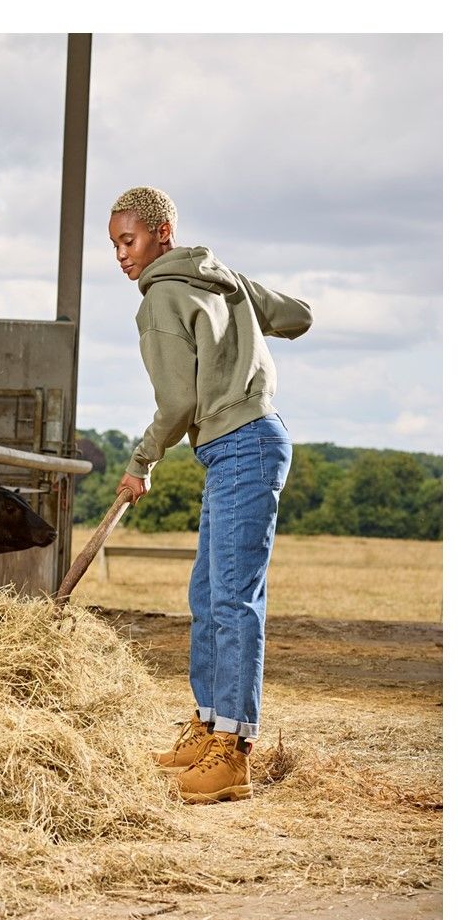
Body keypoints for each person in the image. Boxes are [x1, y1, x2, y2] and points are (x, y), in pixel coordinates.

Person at [109, 185, 312, 804]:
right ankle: (209, 723)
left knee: (233, 598)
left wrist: (141, 460)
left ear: (160, 234)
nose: (121, 256)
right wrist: (239, 300)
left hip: (242, 442)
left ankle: (234, 752)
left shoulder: (160, 298)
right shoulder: (217, 277)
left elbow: (178, 402)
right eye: (114, 245)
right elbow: (298, 316)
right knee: (208, 591)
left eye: (129, 241)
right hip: (241, 444)